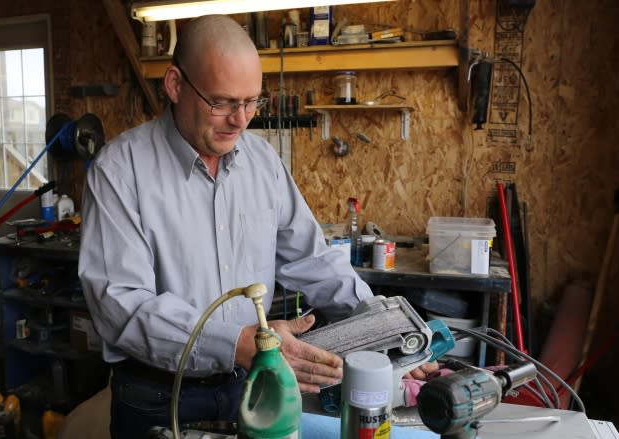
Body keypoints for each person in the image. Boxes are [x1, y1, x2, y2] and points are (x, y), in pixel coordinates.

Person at [78, 14, 435, 438]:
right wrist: (240, 343)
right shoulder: (120, 171)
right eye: (223, 102)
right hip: (158, 394)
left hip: (253, 385)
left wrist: (387, 332)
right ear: (174, 85)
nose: (240, 120)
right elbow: (122, 305)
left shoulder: (262, 164)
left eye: (252, 102)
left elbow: (313, 259)